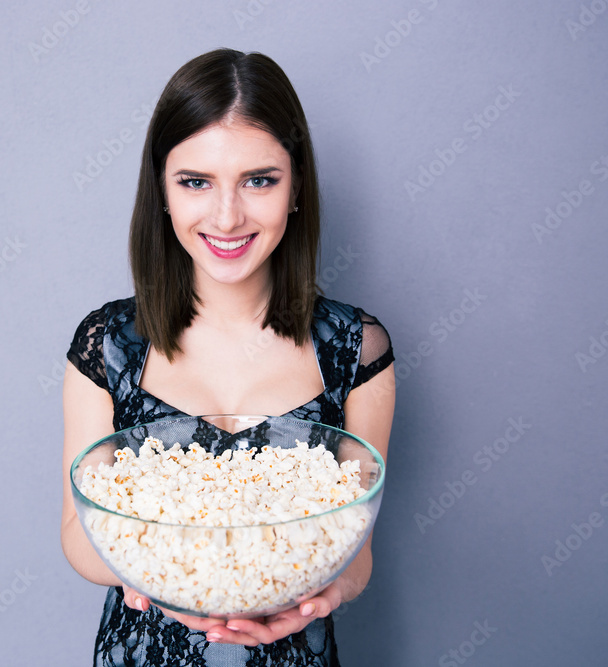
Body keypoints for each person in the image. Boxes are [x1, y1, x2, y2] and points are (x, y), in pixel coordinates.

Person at [61, 48, 396, 666]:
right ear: (162, 191)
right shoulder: (107, 342)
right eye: (195, 182)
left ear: (296, 187)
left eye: (259, 180)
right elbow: (77, 537)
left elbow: (358, 552)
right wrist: (160, 583)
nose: (226, 216)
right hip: (146, 649)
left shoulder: (356, 348)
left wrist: (319, 598)